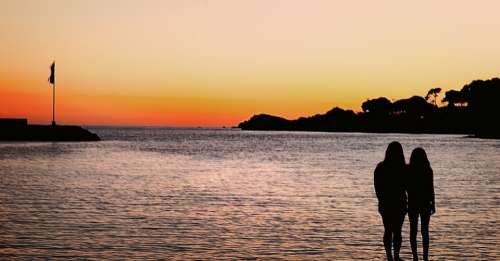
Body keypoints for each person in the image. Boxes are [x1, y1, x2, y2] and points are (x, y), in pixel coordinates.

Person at [374, 141, 408, 261]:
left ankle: (390, 256)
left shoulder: (380, 167)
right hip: (399, 203)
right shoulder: (403, 168)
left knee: (388, 230)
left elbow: (377, 187)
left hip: (387, 203)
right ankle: (395, 256)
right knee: (397, 231)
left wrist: (381, 200)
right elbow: (408, 187)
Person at [407, 148, 435, 261]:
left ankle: (415, 257)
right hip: (425, 203)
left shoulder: (409, 170)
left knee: (413, 231)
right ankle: (425, 258)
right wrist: (433, 204)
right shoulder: (428, 170)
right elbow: (431, 188)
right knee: (425, 231)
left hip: (413, 203)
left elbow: (406, 187)